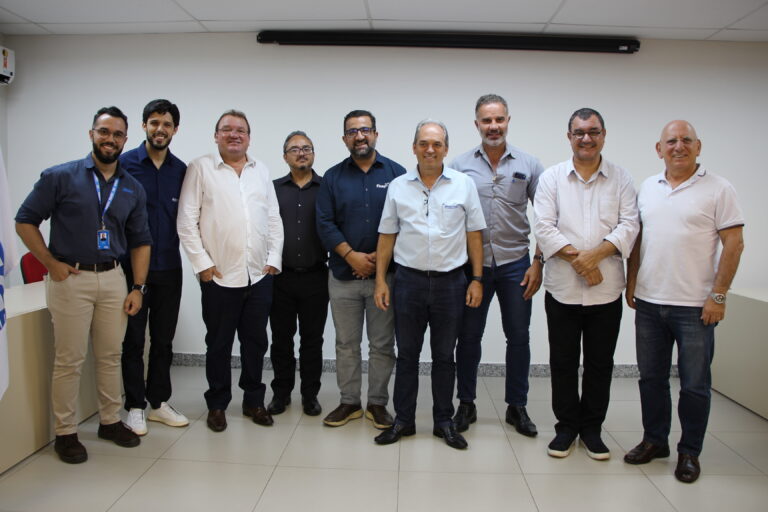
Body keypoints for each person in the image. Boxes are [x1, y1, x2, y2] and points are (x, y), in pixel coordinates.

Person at [15, 106, 152, 463]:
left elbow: (141, 241)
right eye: (104, 132)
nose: (110, 139)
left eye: (118, 134)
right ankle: (65, 432)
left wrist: (137, 287)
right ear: (91, 134)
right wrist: (50, 264)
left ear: (125, 139)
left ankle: (109, 421)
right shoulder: (59, 177)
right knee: (70, 359)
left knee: (110, 356)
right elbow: (25, 220)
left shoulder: (132, 187)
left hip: (113, 279)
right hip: (71, 279)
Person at [624, 120, 744, 483]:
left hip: (695, 306)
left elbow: (734, 244)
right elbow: (638, 239)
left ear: (698, 146)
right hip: (649, 302)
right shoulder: (648, 187)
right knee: (651, 379)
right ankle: (654, 440)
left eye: (686, 140)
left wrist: (718, 295)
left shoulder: (718, 188)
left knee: (694, 384)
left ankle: (689, 452)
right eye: (672, 141)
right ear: (659, 149)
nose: (679, 146)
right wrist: (632, 281)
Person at [533, 107, 639, 460]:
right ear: (569, 137)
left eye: (593, 131)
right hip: (562, 290)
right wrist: (581, 262)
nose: (586, 138)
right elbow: (543, 226)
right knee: (562, 362)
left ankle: (592, 429)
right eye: (579, 132)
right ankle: (566, 428)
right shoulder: (552, 178)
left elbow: (629, 225)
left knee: (599, 363)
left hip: (605, 291)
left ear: (603, 135)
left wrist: (594, 257)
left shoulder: (621, 179)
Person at [373, 120, 486, 450]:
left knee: (444, 356)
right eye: (423, 143)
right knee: (407, 355)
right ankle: (403, 420)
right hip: (408, 282)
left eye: (437, 144)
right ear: (414, 148)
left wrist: (477, 279)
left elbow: (474, 235)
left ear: (446, 149)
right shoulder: (398, 187)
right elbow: (387, 236)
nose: (430, 149)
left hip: (451, 283)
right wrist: (380, 280)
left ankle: (443, 422)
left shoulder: (463, 185)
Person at [177, 109, 283, 432]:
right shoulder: (200, 168)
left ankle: (253, 401)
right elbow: (186, 221)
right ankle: (217, 404)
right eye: (227, 129)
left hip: (259, 275)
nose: (234, 134)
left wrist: (274, 258)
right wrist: (203, 265)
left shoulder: (261, 170)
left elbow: (273, 218)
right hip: (219, 277)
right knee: (219, 344)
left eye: (241, 130)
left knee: (256, 343)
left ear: (249, 137)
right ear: (216, 135)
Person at [450, 93, 544, 436]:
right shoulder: (459, 166)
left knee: (518, 336)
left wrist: (538, 262)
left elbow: (547, 218)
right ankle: (466, 403)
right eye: (486, 120)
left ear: (508, 121)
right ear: (476, 124)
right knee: (468, 337)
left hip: (516, 264)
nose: (493, 126)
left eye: (499, 119)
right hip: (472, 267)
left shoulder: (530, 165)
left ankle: (517, 406)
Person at [316, 110, 406, 428]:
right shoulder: (332, 177)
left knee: (382, 344)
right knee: (346, 344)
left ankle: (378, 403)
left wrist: (377, 262)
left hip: (385, 278)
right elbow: (325, 223)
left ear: (376, 134)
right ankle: (350, 402)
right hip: (344, 276)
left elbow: (406, 222)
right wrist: (352, 256)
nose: (360, 136)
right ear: (345, 139)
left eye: (365, 129)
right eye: (352, 131)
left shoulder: (398, 174)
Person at [120, 99, 189, 436]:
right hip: (131, 270)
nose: (160, 129)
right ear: (144, 126)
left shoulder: (182, 170)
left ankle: (159, 402)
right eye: (154, 123)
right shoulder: (124, 164)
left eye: (167, 124)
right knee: (134, 340)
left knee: (163, 340)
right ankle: (134, 406)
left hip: (169, 268)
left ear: (175, 129)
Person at [267, 131, 328, 417]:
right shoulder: (273, 189)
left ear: (313, 153)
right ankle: (281, 393)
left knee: (312, 340)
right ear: (285, 156)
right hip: (281, 277)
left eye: (307, 148)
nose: (301, 153)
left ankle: (310, 395)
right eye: (295, 149)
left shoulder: (327, 188)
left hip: (316, 276)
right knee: (281, 340)